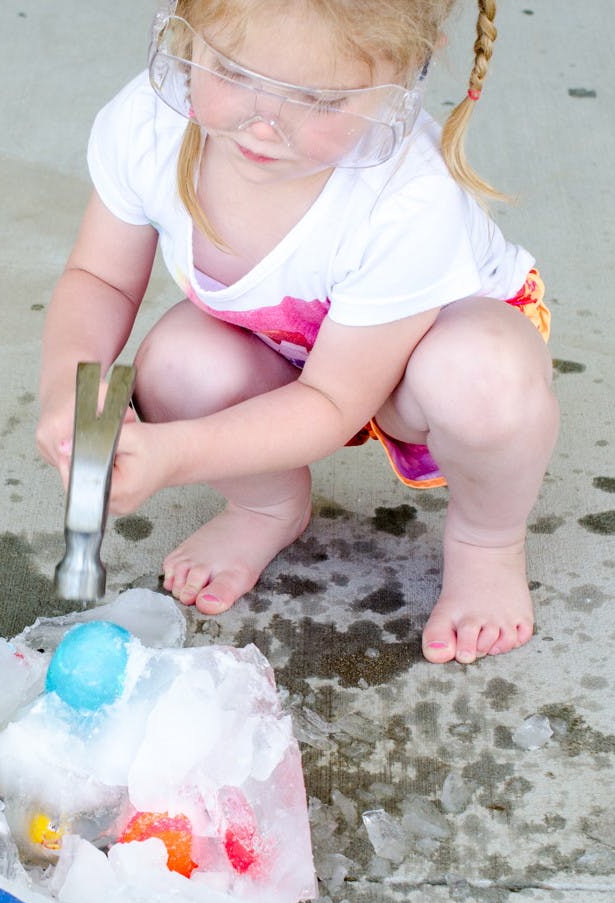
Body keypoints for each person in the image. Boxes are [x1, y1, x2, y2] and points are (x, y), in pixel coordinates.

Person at [35, 0, 556, 665]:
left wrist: (176, 453)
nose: (262, 124)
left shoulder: (408, 199)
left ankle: (487, 542)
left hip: (417, 364)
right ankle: (266, 507)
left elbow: (333, 401)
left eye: (316, 99)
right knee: (175, 364)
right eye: (231, 71)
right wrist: (67, 391)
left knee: (484, 377)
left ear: (403, 80)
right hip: (288, 354)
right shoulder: (151, 125)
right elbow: (99, 280)